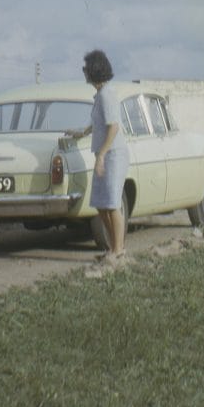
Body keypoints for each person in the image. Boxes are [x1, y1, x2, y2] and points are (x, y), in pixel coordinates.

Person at [69, 49, 131, 275]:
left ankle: (118, 250)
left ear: (94, 70)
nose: (84, 72)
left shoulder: (107, 94)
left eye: (86, 68)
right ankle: (113, 248)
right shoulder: (100, 95)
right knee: (101, 204)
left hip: (112, 155)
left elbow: (114, 127)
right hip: (105, 154)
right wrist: (81, 133)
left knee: (111, 204)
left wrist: (102, 155)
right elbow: (99, 123)